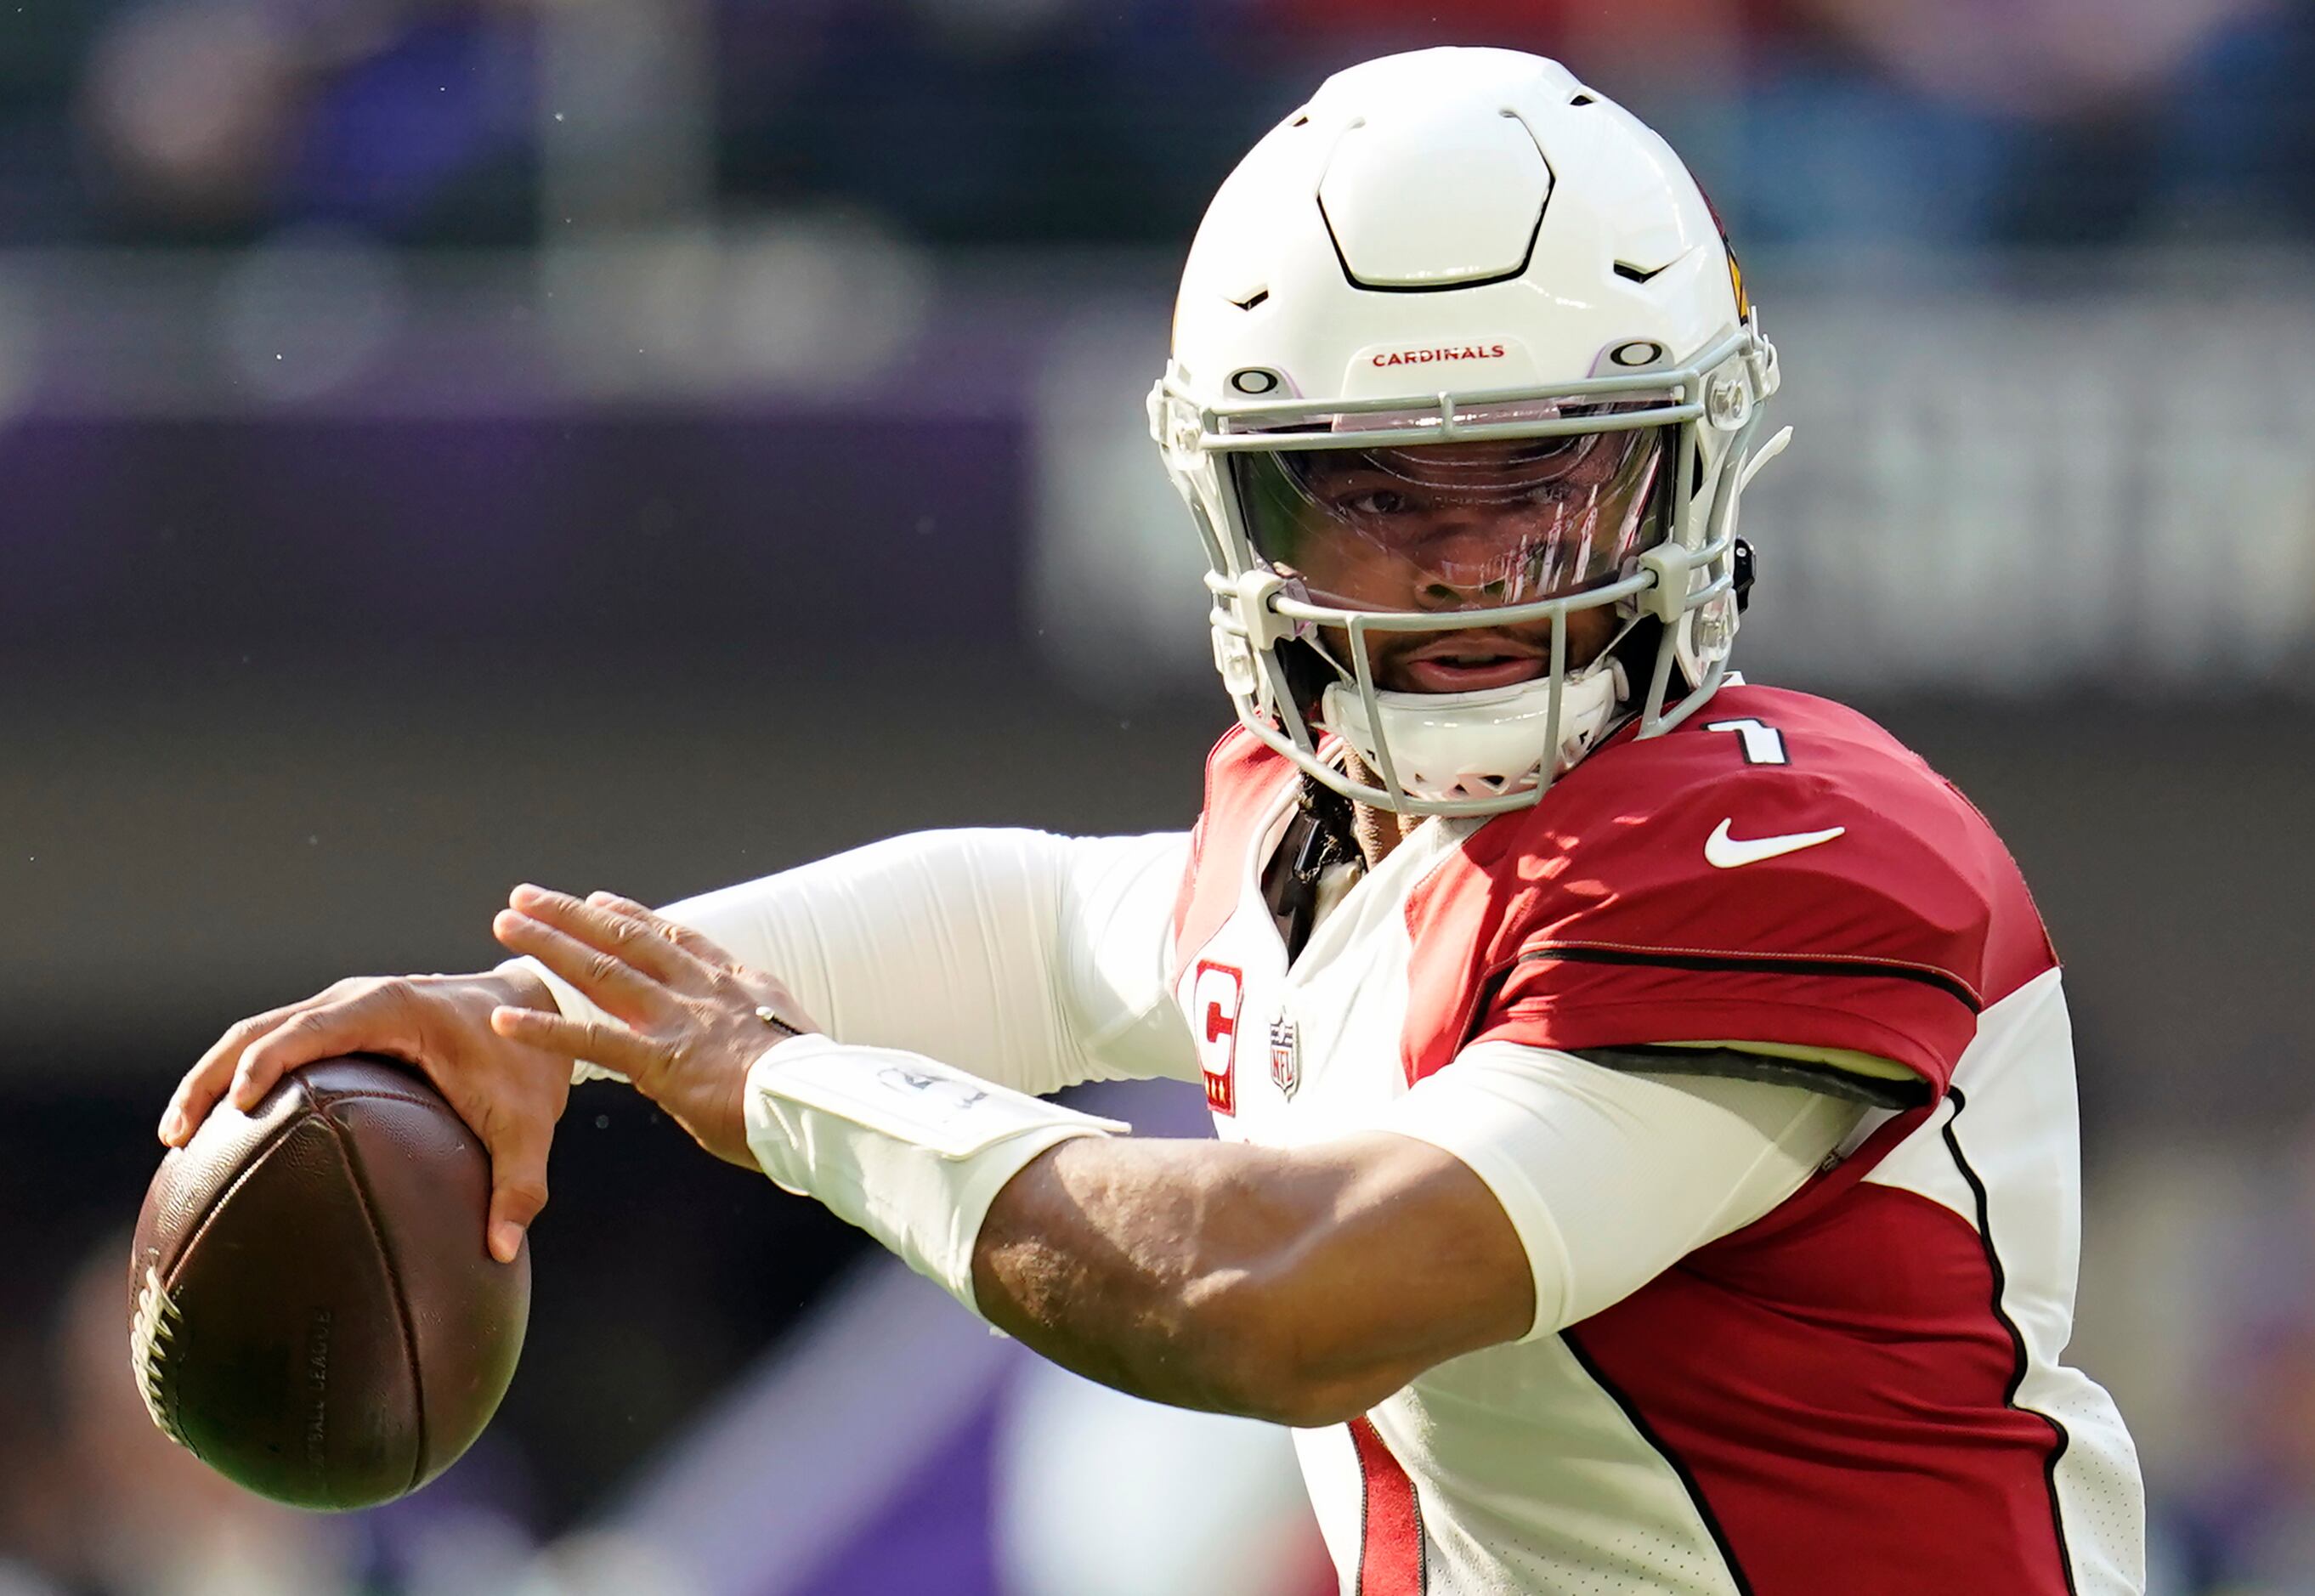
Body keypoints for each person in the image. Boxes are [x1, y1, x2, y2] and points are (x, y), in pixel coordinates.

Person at [158, 47, 2146, 1593]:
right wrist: (536, 1016)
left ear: (1687, 464)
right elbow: (1045, 927)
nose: (1466, 576)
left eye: (1541, 484)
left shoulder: (1789, 862)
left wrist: (763, 1083)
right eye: (1372, 495)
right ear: (1240, 512)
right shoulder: (1312, 841)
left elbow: (1278, 1296)